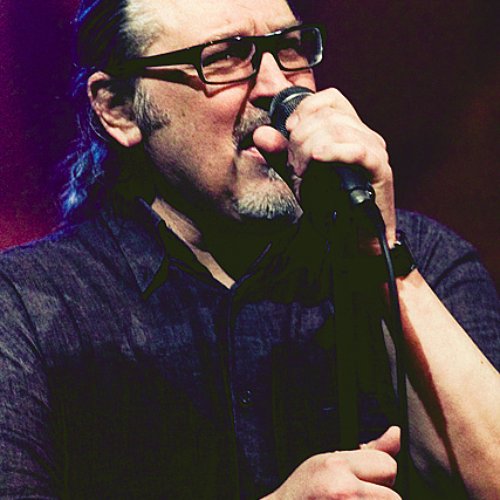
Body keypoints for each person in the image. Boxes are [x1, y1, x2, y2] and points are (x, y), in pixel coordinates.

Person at [0, 0, 498, 498]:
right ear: (120, 110)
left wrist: (380, 258)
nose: (278, 88)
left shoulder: (420, 254)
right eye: (225, 56)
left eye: (289, 48)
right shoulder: (28, 304)